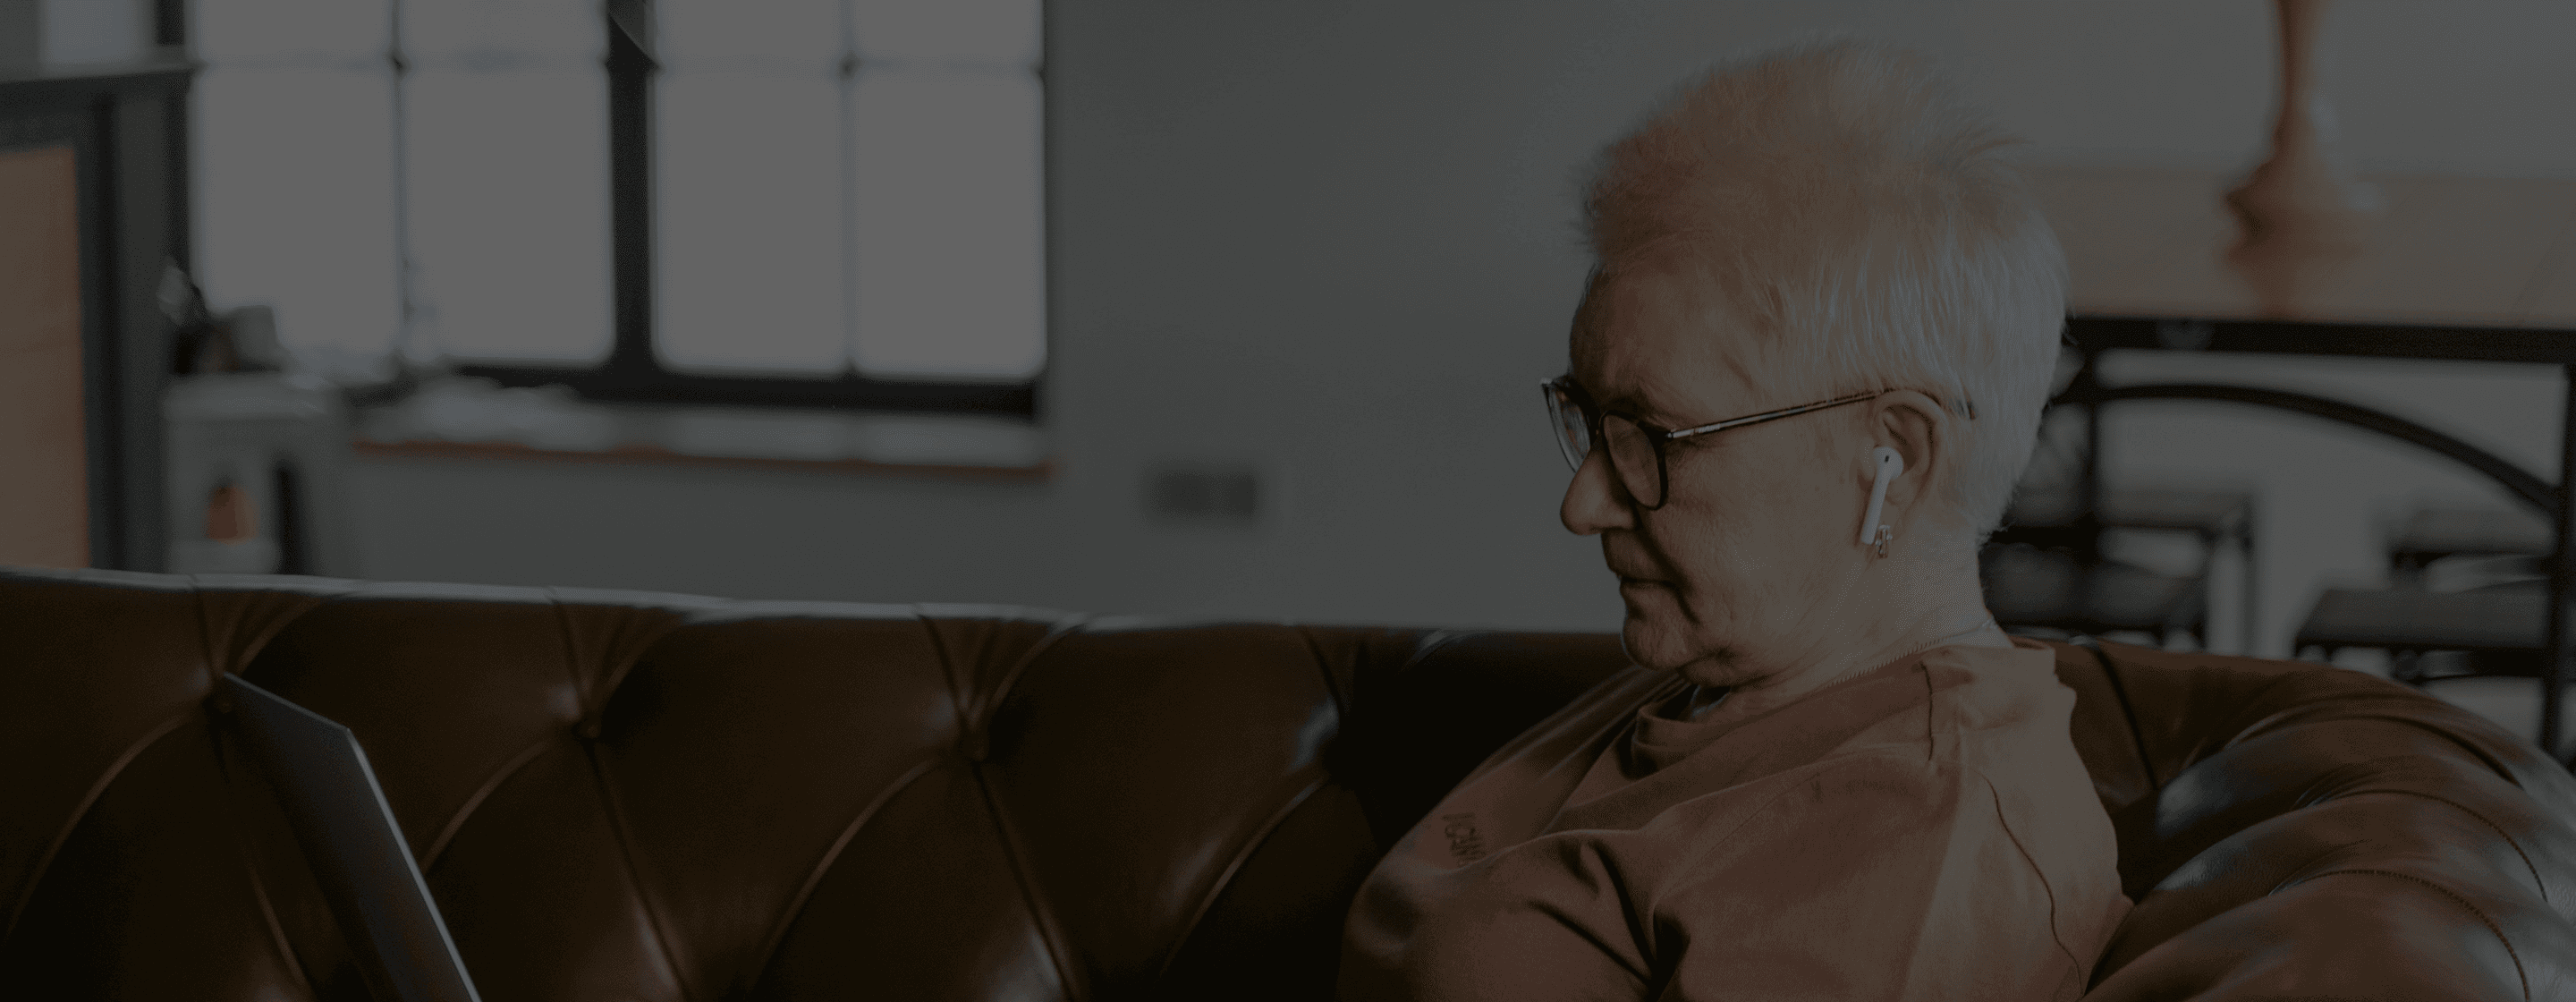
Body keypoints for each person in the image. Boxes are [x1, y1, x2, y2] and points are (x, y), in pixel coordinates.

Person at [1337, 40, 2129, 1001]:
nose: (1582, 504)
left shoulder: (1918, 834)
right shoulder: (1731, 675)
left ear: (1896, 459)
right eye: (1589, 421)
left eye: (1656, 436)